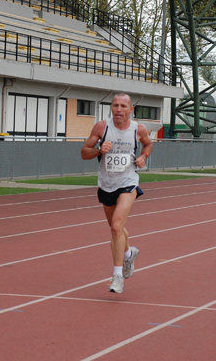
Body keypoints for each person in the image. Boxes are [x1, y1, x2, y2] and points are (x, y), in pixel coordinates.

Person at [81, 92, 153, 294]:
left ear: (131, 109)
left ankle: (117, 276)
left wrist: (143, 156)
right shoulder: (102, 128)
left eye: (123, 106)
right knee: (117, 229)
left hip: (128, 182)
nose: (118, 109)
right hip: (106, 184)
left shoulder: (137, 129)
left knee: (115, 226)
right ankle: (129, 253)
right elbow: (84, 152)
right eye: (115, 105)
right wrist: (98, 150)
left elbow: (148, 144)